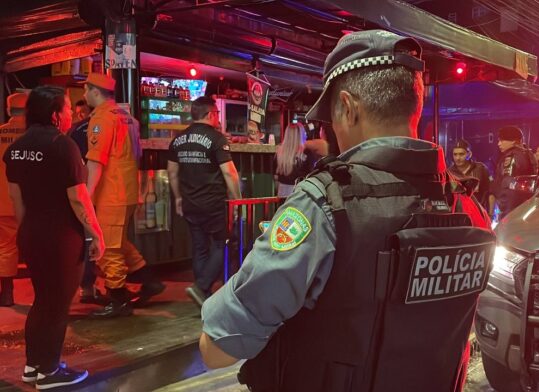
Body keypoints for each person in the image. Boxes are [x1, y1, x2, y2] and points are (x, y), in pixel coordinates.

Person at [199, 30, 496, 392]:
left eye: (331, 118)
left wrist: (274, 259)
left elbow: (217, 348)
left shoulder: (323, 205)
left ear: (347, 107)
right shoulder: (468, 206)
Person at [3, 85, 105, 389]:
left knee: (41, 301)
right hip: (62, 237)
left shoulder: (16, 149)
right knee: (57, 304)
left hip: (32, 232)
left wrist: (28, 232)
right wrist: (96, 233)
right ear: (55, 114)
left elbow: (17, 200)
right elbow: (79, 198)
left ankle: (33, 366)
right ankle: (49, 372)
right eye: (66, 109)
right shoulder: (63, 146)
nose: (71, 114)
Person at [83, 73, 165, 318]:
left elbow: (96, 161)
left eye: (86, 90)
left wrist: (86, 195)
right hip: (127, 190)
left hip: (111, 192)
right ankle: (148, 280)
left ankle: (117, 298)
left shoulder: (102, 120)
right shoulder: (127, 118)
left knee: (108, 247)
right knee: (118, 241)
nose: (84, 95)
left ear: (95, 91)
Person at [167, 96, 241, 306]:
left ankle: (204, 294)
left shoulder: (178, 139)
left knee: (200, 247)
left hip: (190, 202)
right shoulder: (217, 139)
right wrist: (236, 201)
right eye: (217, 113)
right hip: (213, 203)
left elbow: (172, 172)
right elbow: (229, 173)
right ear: (211, 115)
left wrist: (179, 198)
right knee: (223, 243)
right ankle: (201, 287)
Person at [67, 99, 105, 305]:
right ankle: (96, 285)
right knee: (99, 238)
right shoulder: (103, 127)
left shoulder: (73, 131)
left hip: (82, 190)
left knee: (87, 237)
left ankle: (87, 287)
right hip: (105, 191)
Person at [0, 92, 27, 307]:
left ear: (9, 110)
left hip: (4, 204)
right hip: (32, 204)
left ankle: (7, 293)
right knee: (39, 247)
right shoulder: (34, 136)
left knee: (6, 248)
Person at [492, 126, 539, 219]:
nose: (499, 144)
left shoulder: (512, 157)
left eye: (502, 140)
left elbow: (508, 189)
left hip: (511, 209)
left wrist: (502, 213)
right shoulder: (527, 154)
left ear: (513, 141)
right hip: (525, 206)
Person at [447, 139, 492, 213]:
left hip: (479, 213)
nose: (458, 158)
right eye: (455, 154)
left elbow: (490, 192)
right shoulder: (449, 173)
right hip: (457, 215)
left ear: (469, 154)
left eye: (461, 154)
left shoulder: (480, 169)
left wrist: (490, 214)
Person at [274, 123, 316, 197]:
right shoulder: (307, 152)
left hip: (282, 193)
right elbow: (311, 175)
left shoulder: (279, 152)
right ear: (301, 134)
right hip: (300, 193)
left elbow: (275, 176)